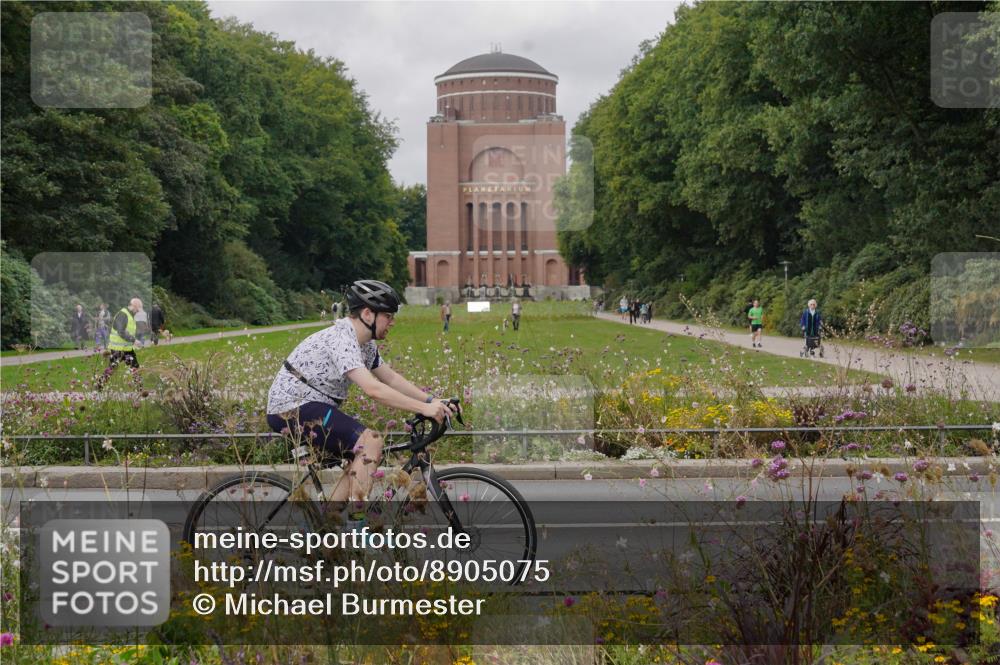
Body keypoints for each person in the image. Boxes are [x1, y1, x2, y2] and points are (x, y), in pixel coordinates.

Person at [266, 280, 457, 511]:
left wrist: (431, 401)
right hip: (291, 407)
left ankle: (330, 525)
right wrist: (424, 409)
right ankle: (358, 525)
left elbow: (391, 378)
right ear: (367, 314)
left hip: (314, 406)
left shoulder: (366, 344)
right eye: (388, 315)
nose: (393, 322)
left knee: (359, 460)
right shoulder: (342, 339)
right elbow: (373, 389)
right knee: (371, 442)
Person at [97, 298, 143, 390]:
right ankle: (99, 386)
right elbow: (121, 331)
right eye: (138, 309)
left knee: (135, 367)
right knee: (111, 368)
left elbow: (128, 331)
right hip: (117, 349)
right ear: (134, 306)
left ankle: (140, 390)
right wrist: (134, 340)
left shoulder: (130, 315)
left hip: (127, 349)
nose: (138, 311)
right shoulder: (123, 314)